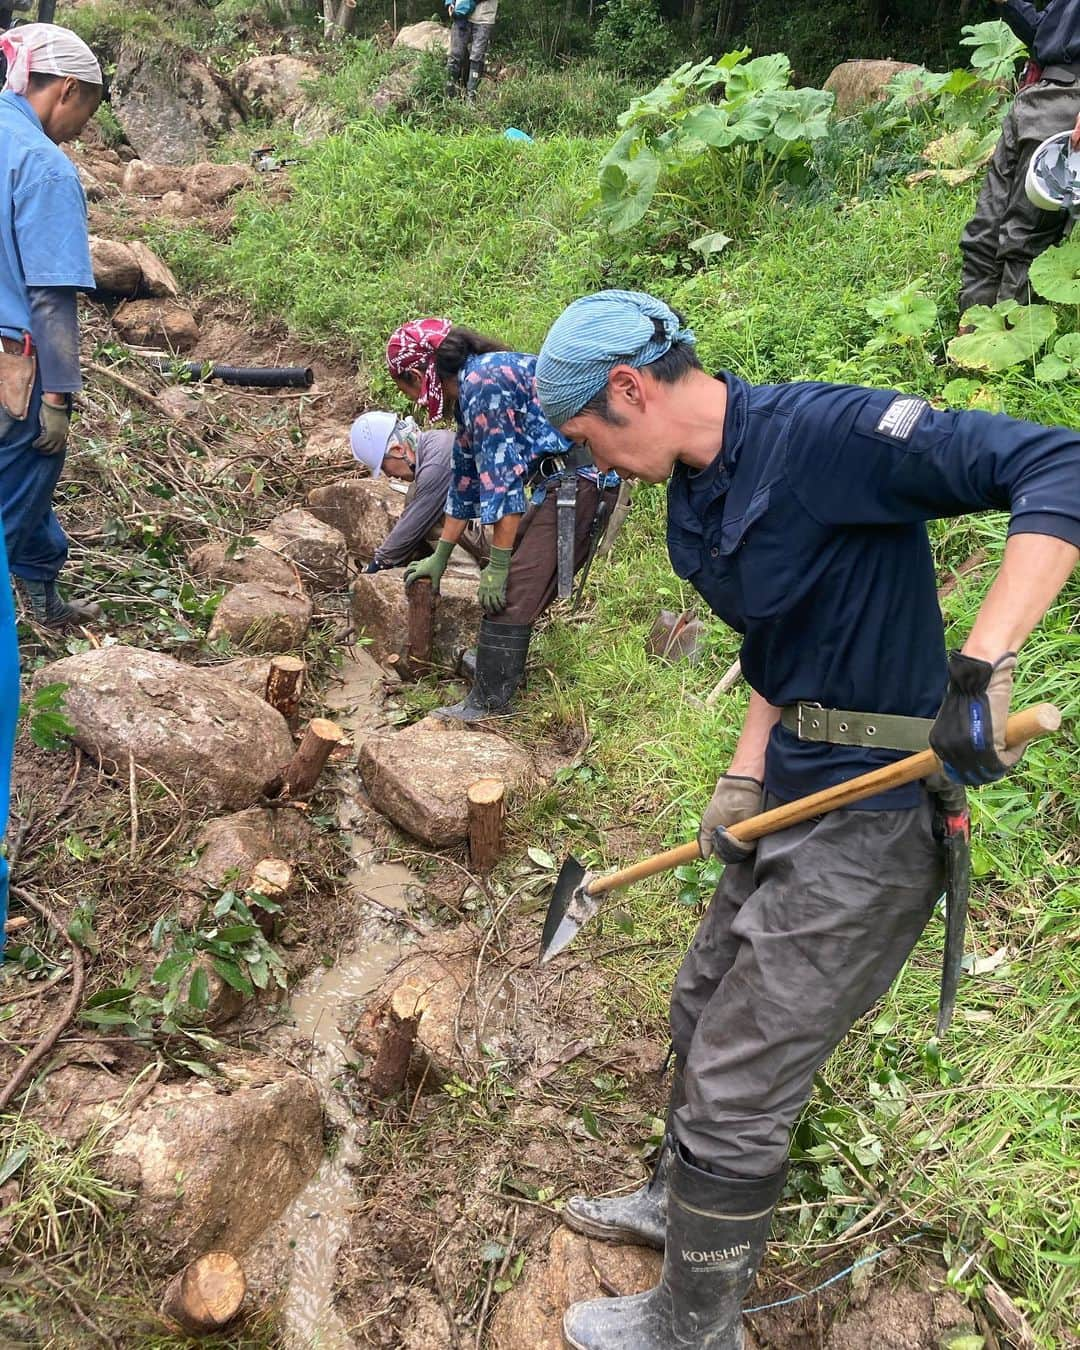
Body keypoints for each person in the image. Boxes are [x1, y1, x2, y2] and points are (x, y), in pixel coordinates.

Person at [533, 289, 1079, 1350]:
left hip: (874, 815)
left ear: (628, 389)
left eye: (586, 436)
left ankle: (696, 1327)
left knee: (741, 1072)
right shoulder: (695, 489)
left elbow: (1058, 462)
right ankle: (672, 1203)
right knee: (701, 1006)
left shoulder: (829, 438)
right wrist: (743, 780)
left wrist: (984, 668)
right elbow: (779, 645)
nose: (590, 462)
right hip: (791, 785)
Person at [385, 318, 621, 721]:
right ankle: (497, 666)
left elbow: (505, 488)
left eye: (407, 388)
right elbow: (464, 481)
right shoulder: (474, 386)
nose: (414, 400)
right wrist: (441, 554)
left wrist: (497, 565)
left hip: (581, 482)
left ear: (417, 373)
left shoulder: (483, 385)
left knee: (509, 590)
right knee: (512, 575)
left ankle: (490, 703)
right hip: (559, 482)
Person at [0, 23, 102, 629]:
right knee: (26, 472)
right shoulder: (44, 166)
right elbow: (51, 296)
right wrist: (59, 396)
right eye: (84, 112)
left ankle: (40, 591)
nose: (79, 129)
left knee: (29, 492)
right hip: (15, 364)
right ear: (65, 89)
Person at [959, 0, 1080, 313]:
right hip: (1032, 97)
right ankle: (972, 334)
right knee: (986, 225)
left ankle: (1009, 344)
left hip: (1070, 102)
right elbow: (1047, 35)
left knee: (1025, 235)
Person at [348, 410, 488, 573]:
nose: (388, 474)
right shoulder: (435, 441)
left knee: (428, 515)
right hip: (491, 520)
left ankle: (464, 575)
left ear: (398, 450)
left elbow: (413, 524)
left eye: (384, 466)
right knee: (415, 495)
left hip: (497, 532)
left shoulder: (435, 466)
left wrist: (377, 566)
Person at [445, 0, 498, 99]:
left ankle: (471, 98)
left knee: (477, 57)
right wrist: (450, 3)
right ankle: (448, 96)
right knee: (455, 55)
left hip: (484, 18)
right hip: (461, 16)